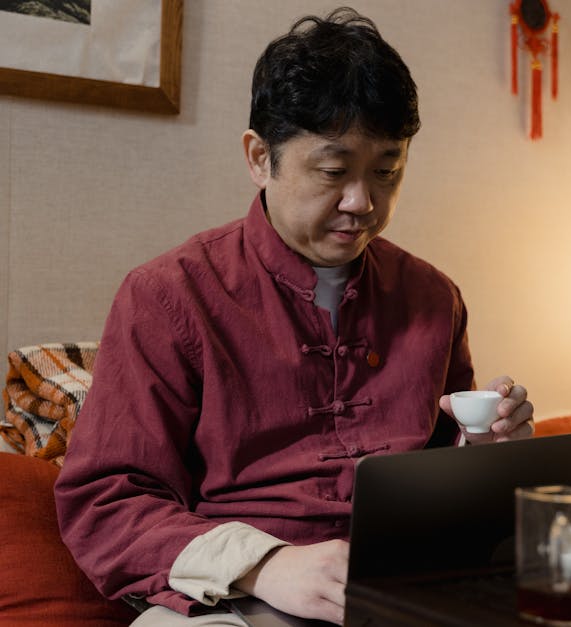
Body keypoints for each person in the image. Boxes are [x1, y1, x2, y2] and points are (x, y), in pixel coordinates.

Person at [53, 8, 534, 626]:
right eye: (333, 171)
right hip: (231, 597)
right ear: (260, 157)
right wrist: (266, 565)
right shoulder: (168, 296)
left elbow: (444, 480)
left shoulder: (433, 297)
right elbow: (105, 501)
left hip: (406, 588)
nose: (362, 202)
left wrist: (488, 452)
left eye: (386, 171)